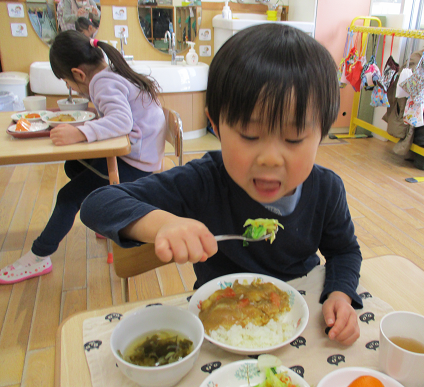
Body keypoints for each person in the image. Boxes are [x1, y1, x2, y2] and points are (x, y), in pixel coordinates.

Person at [80, 24, 363, 346]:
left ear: (322, 132)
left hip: (303, 314)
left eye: (294, 138)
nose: (270, 158)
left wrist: (340, 292)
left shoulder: (326, 190)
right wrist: (163, 224)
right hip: (223, 323)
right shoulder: (203, 182)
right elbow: (98, 203)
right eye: (249, 135)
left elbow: (344, 251)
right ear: (215, 123)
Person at [0, 30, 166, 285]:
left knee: (69, 196)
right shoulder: (109, 74)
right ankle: (107, 212)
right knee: (74, 166)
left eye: (69, 84)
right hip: (138, 154)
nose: (72, 90)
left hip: (136, 163)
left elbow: (122, 121)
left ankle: (39, 256)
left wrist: (80, 133)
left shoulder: (102, 82)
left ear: (78, 73)